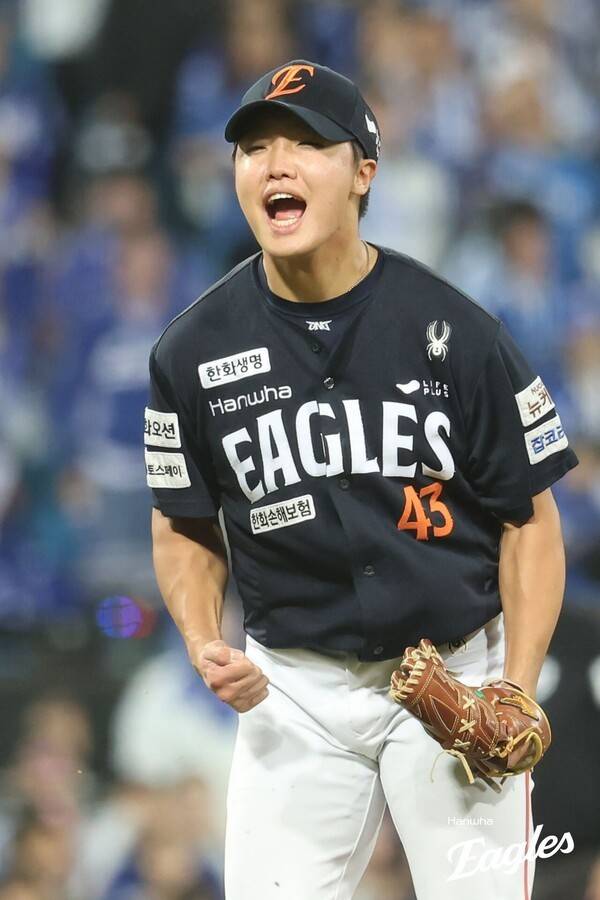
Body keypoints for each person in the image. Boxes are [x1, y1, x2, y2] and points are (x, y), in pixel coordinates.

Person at [146, 60, 578, 900]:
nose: (275, 164)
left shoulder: (454, 330)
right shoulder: (190, 353)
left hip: (455, 670)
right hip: (293, 690)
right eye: (254, 148)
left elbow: (531, 519)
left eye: (306, 144)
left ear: (364, 173)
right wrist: (202, 637)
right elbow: (182, 520)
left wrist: (515, 688)